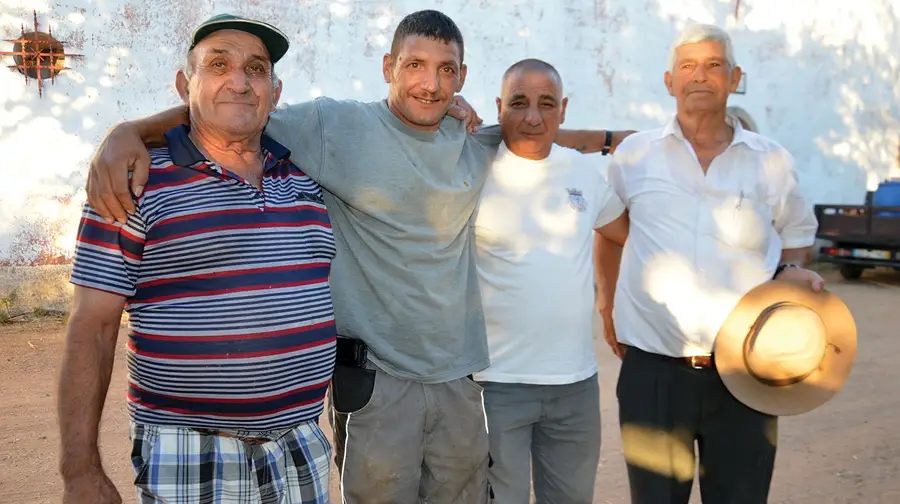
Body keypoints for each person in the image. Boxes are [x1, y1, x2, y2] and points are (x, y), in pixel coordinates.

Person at [84, 9, 631, 503]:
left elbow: (532, 129)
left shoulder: (470, 141)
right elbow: (230, 108)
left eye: (446, 69)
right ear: (390, 66)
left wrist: (619, 138)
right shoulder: (331, 126)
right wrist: (126, 131)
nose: (430, 82)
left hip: (462, 383)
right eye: (415, 64)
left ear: (462, 78)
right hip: (379, 384)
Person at [58, 15, 334, 504]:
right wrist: (80, 471)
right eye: (219, 64)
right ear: (186, 85)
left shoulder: (305, 185)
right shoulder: (135, 183)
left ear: (275, 89)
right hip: (189, 449)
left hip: (298, 444)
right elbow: (92, 326)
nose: (240, 81)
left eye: (257, 68)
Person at [595, 23, 822, 504]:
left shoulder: (772, 162)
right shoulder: (634, 157)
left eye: (714, 65)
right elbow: (609, 232)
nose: (700, 75)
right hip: (653, 371)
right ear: (668, 80)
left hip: (748, 372)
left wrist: (790, 279)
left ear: (735, 77)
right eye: (688, 66)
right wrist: (606, 302)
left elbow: (799, 239)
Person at [472, 58, 629, 504]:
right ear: (500, 106)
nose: (533, 117)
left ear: (563, 109)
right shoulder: (473, 169)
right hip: (494, 384)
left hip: (574, 385)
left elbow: (622, 234)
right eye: (519, 103)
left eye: (546, 104)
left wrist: (609, 303)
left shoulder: (582, 173)